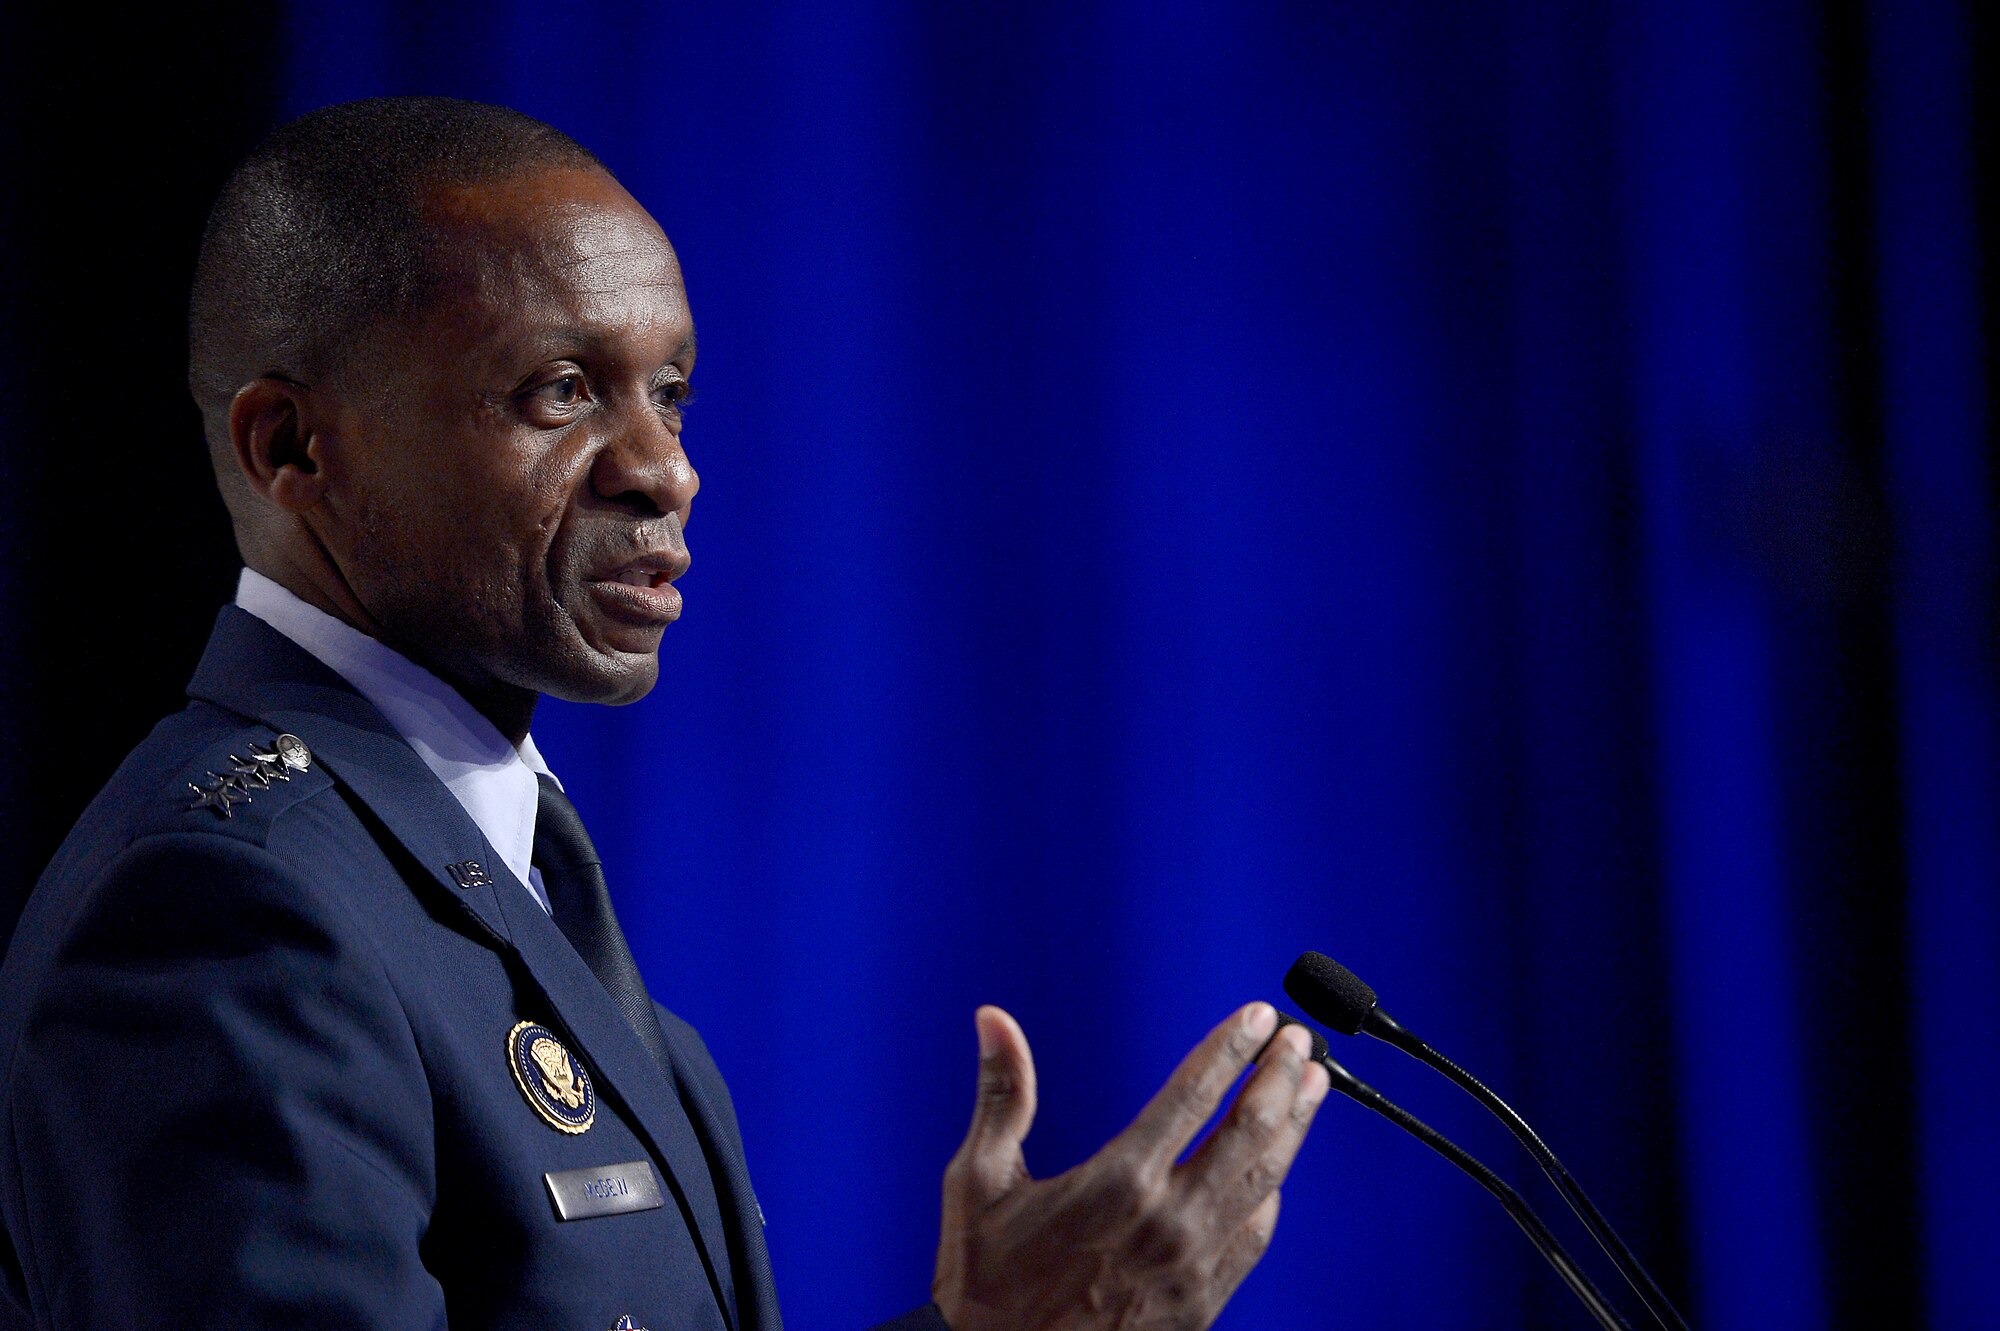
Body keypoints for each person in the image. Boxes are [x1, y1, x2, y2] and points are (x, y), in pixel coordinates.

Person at [0, 97, 1329, 1330]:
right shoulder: (224, 908)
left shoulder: (489, 853)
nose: (666, 469)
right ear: (293, 448)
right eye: (560, 391)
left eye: (671, 392)